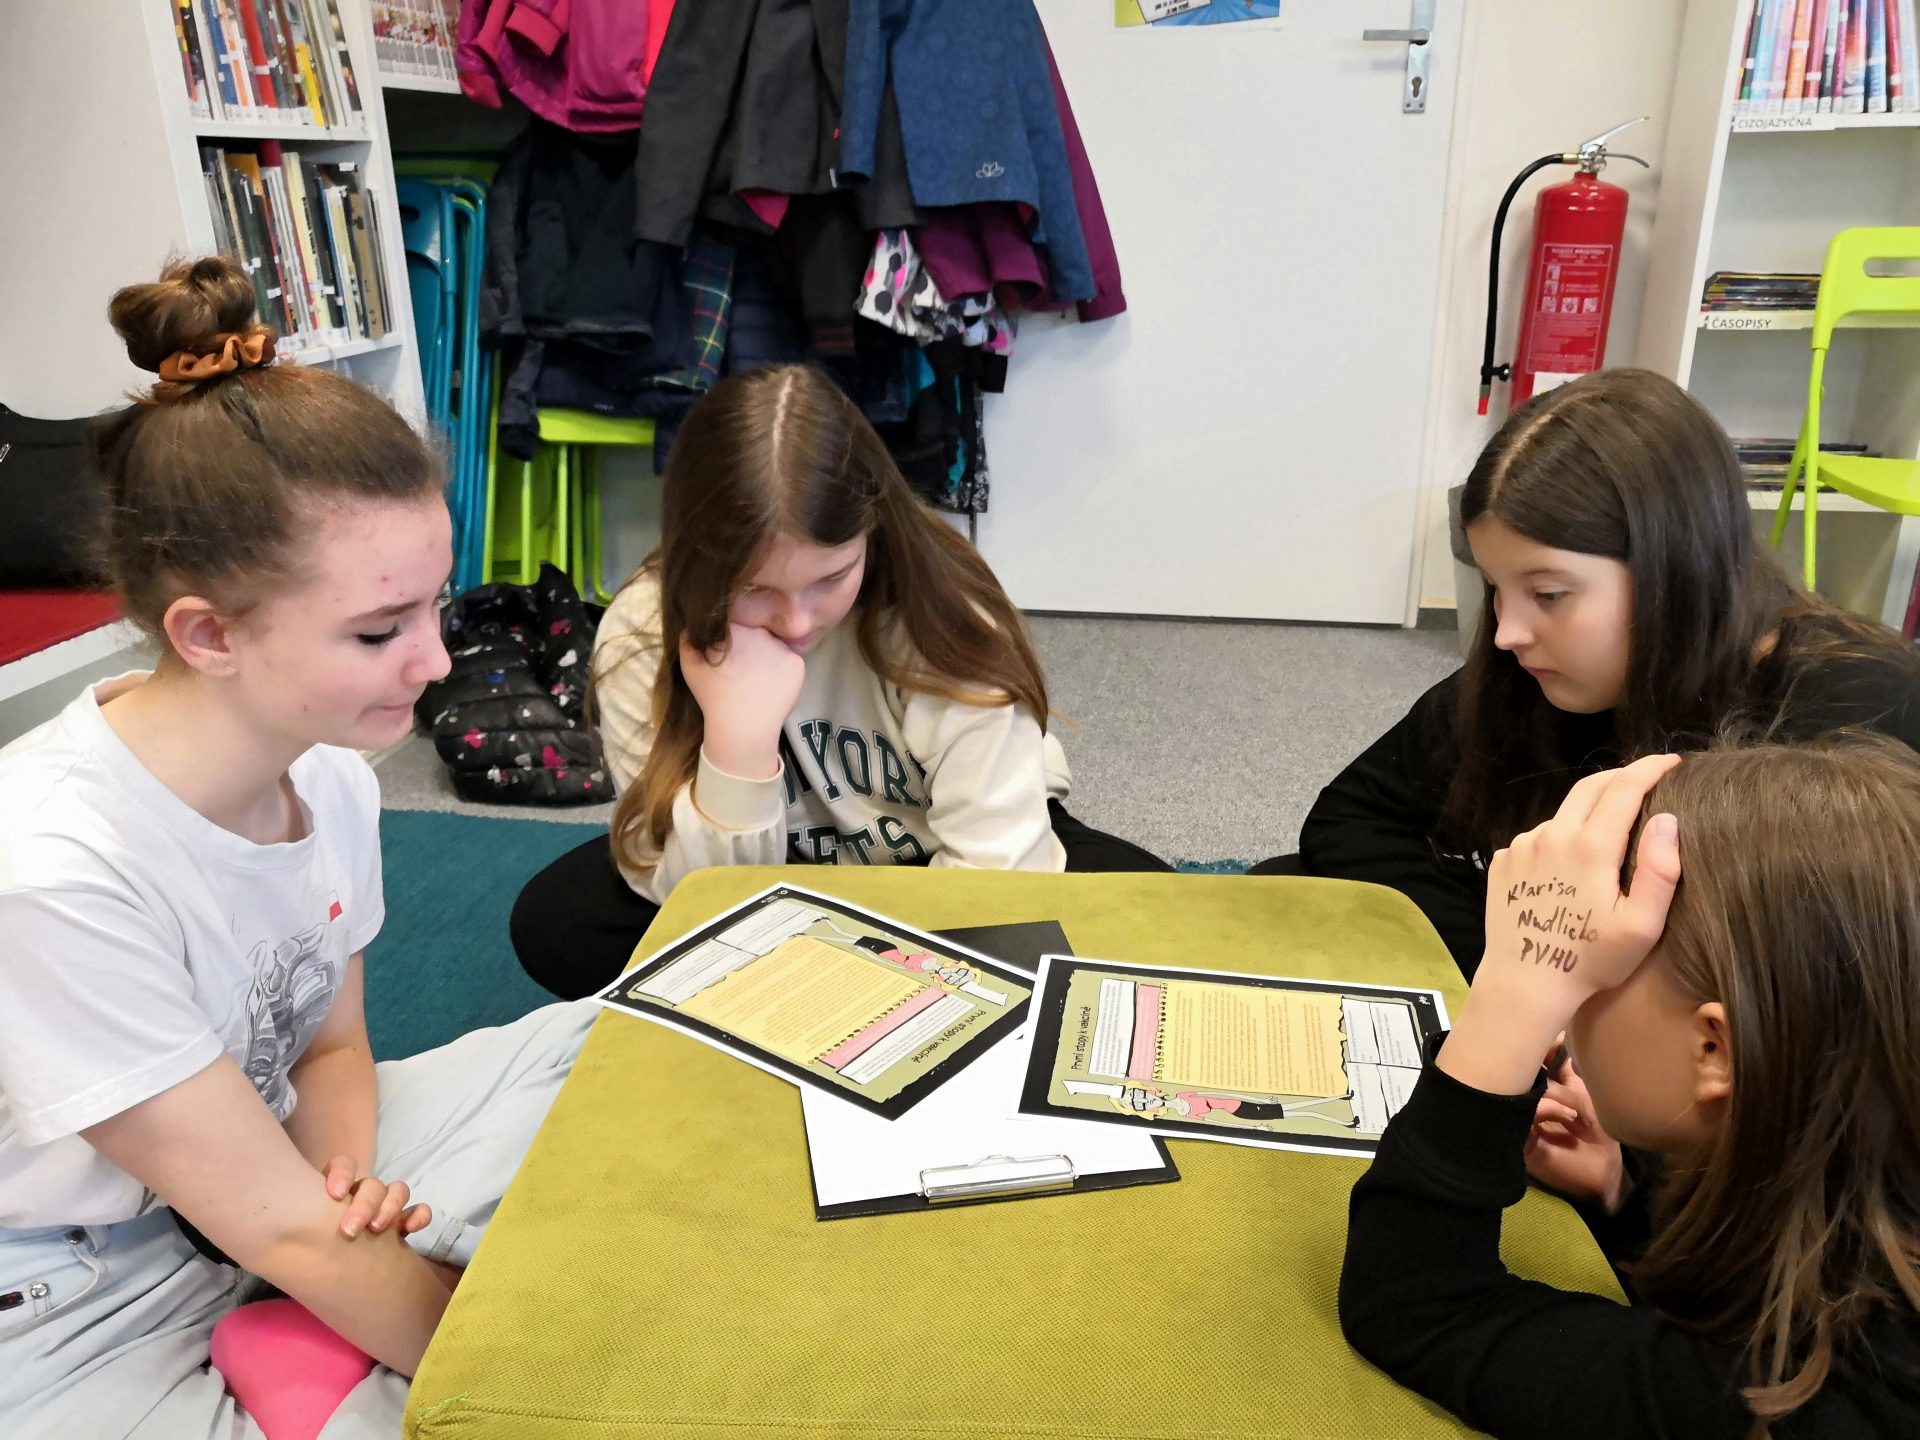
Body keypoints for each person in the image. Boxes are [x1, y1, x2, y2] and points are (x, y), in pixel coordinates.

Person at [0, 257, 594, 1438]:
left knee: (639, 1038)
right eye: (379, 631)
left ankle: (318, 1329)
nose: (437, 662)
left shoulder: (329, 775)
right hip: (77, 1290)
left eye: (434, 606)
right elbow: (277, 1227)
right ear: (209, 635)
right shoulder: (51, 869)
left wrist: (346, 1197)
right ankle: (331, 1344)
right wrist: (521, 1384)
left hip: (261, 1175)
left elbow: (328, 1048)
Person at [510, 363, 1169, 999]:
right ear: (697, 560)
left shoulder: (942, 616)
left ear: (872, 531)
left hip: (937, 865)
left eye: (831, 578)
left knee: (1162, 922)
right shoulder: (642, 630)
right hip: (780, 883)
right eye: (753, 589)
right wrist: (738, 747)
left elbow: (994, 883)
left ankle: (785, 1001)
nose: (797, 621)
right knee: (558, 921)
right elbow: (696, 904)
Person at [1340, 739, 1920, 1436]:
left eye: (1591, 973)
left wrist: (1513, 993)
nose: (1565, 1021)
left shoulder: (1793, 1395)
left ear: (1715, 1048)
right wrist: (1625, 1195)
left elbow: (1415, 1302)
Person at [1272, 368, 1920, 974]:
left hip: (1720, 1024)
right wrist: (1509, 966)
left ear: (1673, 572)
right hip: (1570, 992)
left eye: (1548, 594)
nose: (1506, 632)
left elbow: (1805, 980)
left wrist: (1555, 994)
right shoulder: (1533, 675)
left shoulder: (1849, 714)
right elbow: (1354, 817)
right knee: (1287, 889)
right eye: (1496, 587)